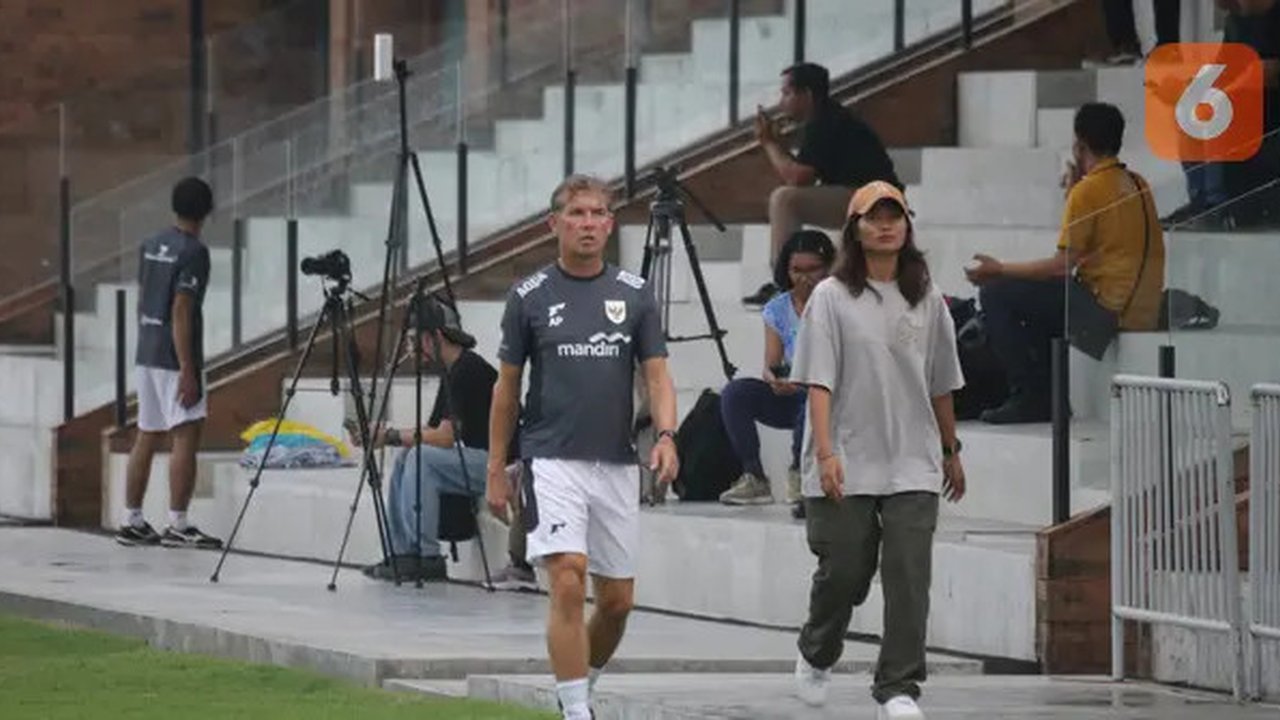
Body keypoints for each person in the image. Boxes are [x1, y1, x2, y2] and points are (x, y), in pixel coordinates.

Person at [486, 174, 679, 720]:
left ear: (611, 224)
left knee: (616, 603)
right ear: (555, 224)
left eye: (598, 214)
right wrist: (497, 468)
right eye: (577, 214)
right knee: (568, 575)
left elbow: (659, 377)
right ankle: (577, 712)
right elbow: (506, 390)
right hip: (550, 458)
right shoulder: (528, 298)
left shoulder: (635, 295)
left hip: (616, 463)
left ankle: (579, 684)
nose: (588, 223)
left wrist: (666, 436)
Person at [790, 180, 966, 720]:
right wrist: (825, 453)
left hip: (913, 460)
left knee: (910, 577)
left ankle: (898, 687)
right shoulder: (831, 297)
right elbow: (818, 382)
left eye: (894, 216)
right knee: (844, 571)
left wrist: (951, 449)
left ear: (908, 226)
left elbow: (939, 381)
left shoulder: (927, 297)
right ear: (855, 229)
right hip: (845, 456)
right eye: (873, 217)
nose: (885, 225)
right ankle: (816, 651)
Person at [966, 102, 1164, 424]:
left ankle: (1030, 396)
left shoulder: (1089, 191)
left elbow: (1061, 265)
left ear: (1079, 144)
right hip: (1142, 308)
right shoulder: (1137, 182)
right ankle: (1049, 397)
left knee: (996, 295)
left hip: (1107, 312)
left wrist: (998, 269)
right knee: (1038, 297)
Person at [350, 294, 531, 585]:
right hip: (476, 460)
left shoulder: (468, 369)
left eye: (413, 339)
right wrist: (387, 437)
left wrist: (392, 435)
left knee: (420, 457)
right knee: (407, 456)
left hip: (502, 464)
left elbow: (446, 437)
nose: (410, 348)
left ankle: (426, 556)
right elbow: (432, 432)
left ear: (433, 337)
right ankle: (403, 552)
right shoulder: (452, 372)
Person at [116, 177, 223, 549]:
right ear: (207, 210)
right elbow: (181, 307)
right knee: (186, 433)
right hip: (173, 354)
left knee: (147, 431)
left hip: (147, 348)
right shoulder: (194, 252)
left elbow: (145, 296)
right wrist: (188, 369)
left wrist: (148, 340)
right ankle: (178, 523)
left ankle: (132, 519)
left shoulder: (151, 244)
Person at [745, 62, 900, 306]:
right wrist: (779, 144)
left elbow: (798, 178)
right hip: (866, 199)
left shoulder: (825, 121)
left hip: (874, 203)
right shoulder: (825, 117)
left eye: (786, 93)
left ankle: (784, 282)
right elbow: (805, 174)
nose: (781, 101)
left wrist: (769, 144)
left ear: (806, 94)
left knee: (784, 199)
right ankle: (795, 281)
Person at [718, 229, 835, 510]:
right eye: (796, 270)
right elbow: (771, 363)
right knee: (735, 393)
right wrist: (774, 379)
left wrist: (804, 383)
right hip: (792, 389)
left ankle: (800, 473)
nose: (804, 278)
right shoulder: (777, 308)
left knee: (812, 394)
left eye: (813, 270)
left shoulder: (837, 302)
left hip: (829, 395)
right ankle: (754, 475)